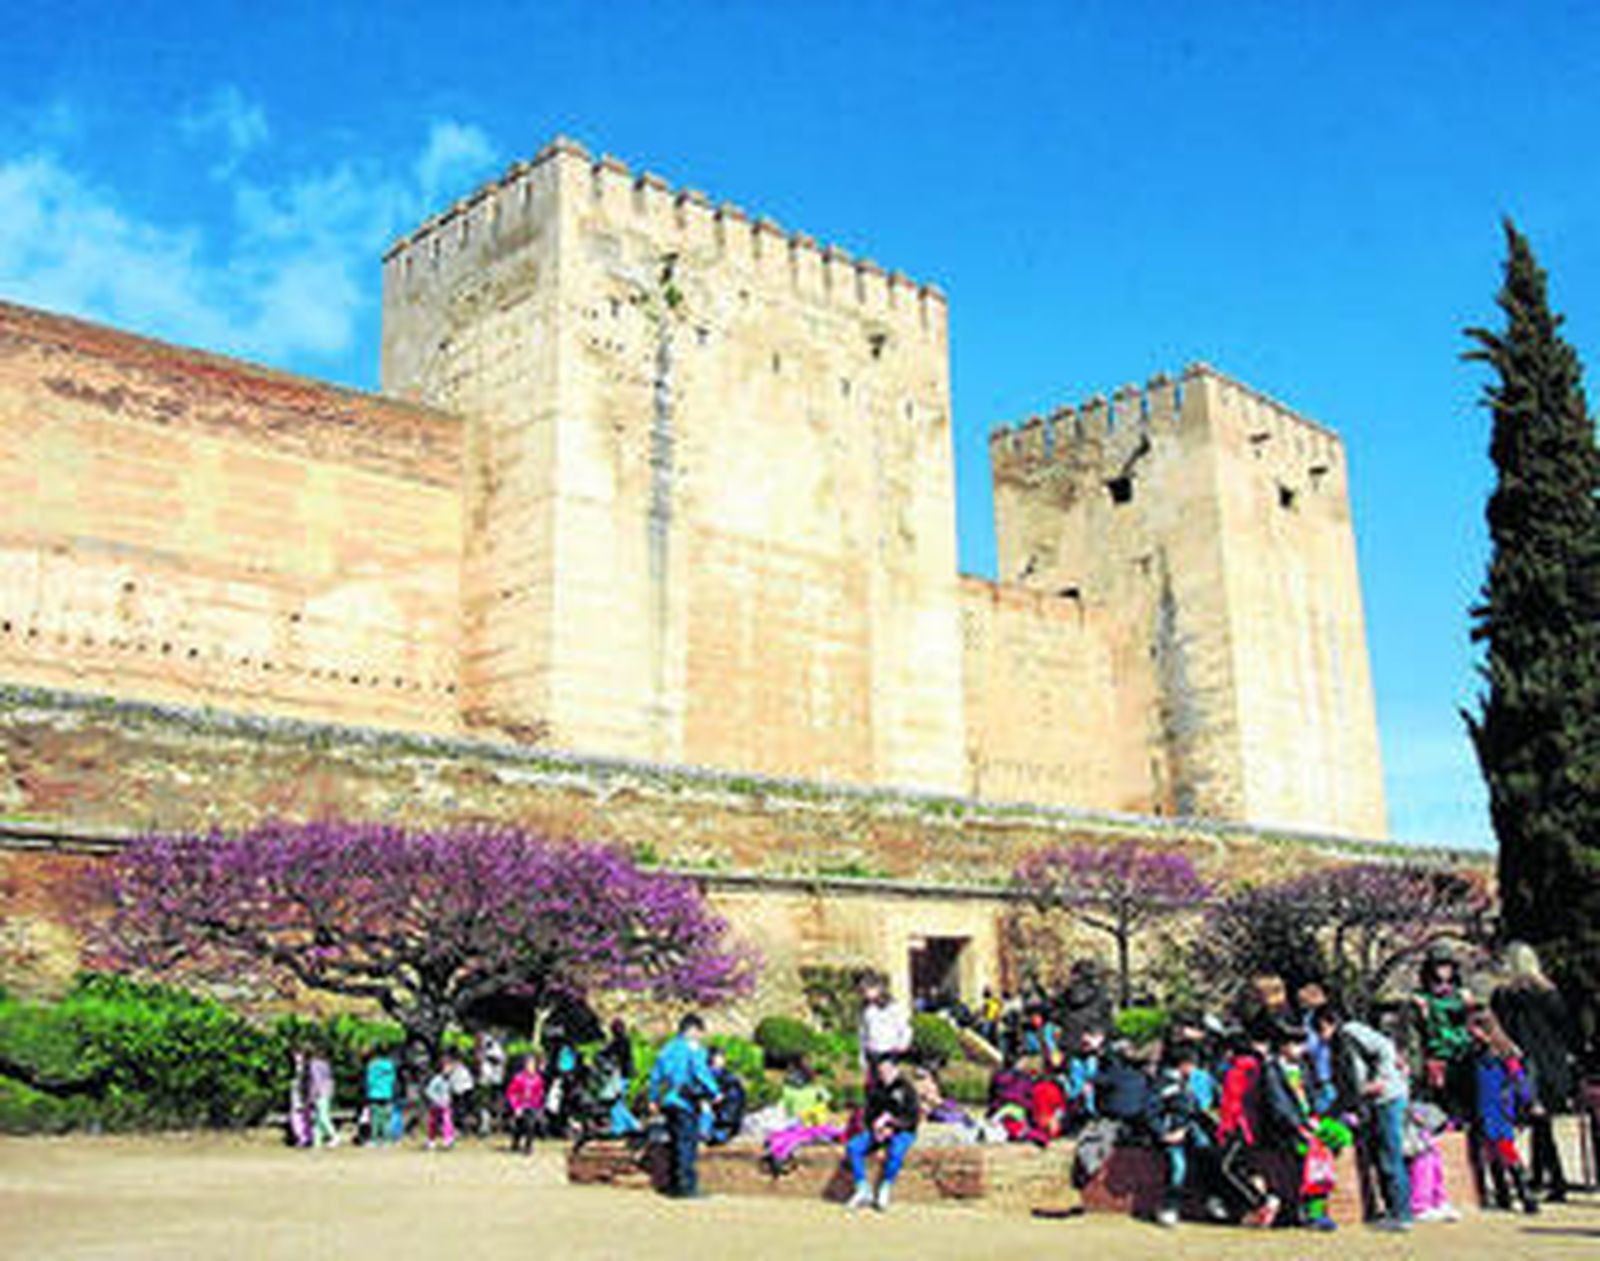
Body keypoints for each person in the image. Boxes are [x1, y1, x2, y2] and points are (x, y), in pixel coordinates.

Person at [1490, 941, 1575, 1202]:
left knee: (1537, 1123)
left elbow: (1500, 1029)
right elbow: (1565, 1027)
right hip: (1552, 1063)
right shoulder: (1549, 993)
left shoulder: (1504, 996)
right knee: (1543, 1122)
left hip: (1523, 1062)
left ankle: (1551, 1179)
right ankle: (1545, 1178)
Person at [1315, 1004, 1412, 1231]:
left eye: (1321, 1030)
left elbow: (1385, 1048)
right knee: (1381, 1157)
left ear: (1329, 1023)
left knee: (1390, 1155)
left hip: (1386, 1098)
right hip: (1373, 1101)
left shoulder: (1351, 1031)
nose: (1320, 1037)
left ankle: (1401, 1214)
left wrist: (1381, 1080)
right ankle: (1391, 1210)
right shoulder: (1338, 1044)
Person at [1465, 1009, 1539, 1214]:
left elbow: (1519, 1079)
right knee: (1490, 1151)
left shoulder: (1506, 1052)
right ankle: (1502, 1194)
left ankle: (1526, 1195)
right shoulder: (1474, 1051)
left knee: (1505, 1147)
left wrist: (1529, 1101)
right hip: (1483, 1104)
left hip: (1500, 1105)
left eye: (1474, 1029)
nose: (1470, 1033)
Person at [649, 1014, 721, 1198]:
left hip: (669, 1101)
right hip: (685, 1101)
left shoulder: (667, 1049)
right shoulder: (692, 1047)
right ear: (692, 1030)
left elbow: (656, 1076)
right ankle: (687, 1186)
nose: (701, 1037)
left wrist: (653, 1099)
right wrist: (715, 1091)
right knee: (687, 1144)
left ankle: (673, 1184)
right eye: (699, 1032)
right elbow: (700, 1071)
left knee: (674, 1143)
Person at [844, 1055, 920, 1211]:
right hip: (878, 1132)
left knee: (896, 1150)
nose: (883, 1074)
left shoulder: (907, 1090)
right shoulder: (876, 1089)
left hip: (902, 1131)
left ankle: (885, 1187)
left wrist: (893, 1126)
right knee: (853, 1147)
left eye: (887, 1070)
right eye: (880, 1071)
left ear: (895, 1069)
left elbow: (912, 1118)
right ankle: (862, 1188)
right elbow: (868, 1114)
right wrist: (875, 1129)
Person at [1411, 943, 1475, 1116]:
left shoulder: (1462, 994)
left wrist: (1469, 1007)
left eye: (1447, 965)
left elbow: (1473, 1024)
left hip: (1464, 1054)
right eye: (1439, 965)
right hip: (1438, 1056)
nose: (1444, 970)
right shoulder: (1422, 997)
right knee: (1444, 1105)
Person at [857, 973, 912, 1083]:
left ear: (877, 988)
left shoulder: (893, 1007)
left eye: (867, 990)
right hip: (873, 1053)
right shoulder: (866, 1010)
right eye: (862, 991)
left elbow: (905, 1029)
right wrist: (862, 1056)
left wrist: (901, 1046)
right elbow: (863, 1033)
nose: (865, 994)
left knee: (890, 1084)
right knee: (874, 1087)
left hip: (889, 1051)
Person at [704, 1046, 746, 1145]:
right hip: (711, 1111)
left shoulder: (727, 1075)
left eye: (723, 1057)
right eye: (719, 1056)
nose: (723, 1059)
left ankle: (721, 1132)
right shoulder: (705, 1073)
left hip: (726, 1115)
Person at [505, 1055, 545, 1155]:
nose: (531, 1067)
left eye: (533, 1065)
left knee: (530, 1124)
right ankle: (516, 1142)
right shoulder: (518, 1078)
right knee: (520, 1126)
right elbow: (511, 1093)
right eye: (529, 1065)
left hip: (532, 1106)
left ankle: (528, 1146)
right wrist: (516, 1107)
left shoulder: (538, 1079)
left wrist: (538, 1105)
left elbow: (540, 1093)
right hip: (520, 1105)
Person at [364, 1047, 398, 1147]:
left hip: (374, 1093)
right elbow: (393, 1079)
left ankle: (374, 1139)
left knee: (375, 1118)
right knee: (386, 1117)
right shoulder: (390, 1065)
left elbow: (369, 1080)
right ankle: (386, 1140)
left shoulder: (372, 1065)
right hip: (387, 1093)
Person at [475, 1030, 506, 1137]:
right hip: (485, 1080)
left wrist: (487, 1057)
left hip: (494, 1080)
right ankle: (484, 1126)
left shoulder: (494, 1047)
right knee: (484, 1103)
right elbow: (479, 1062)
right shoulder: (481, 1048)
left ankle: (494, 1125)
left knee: (494, 1104)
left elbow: (500, 1059)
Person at [307, 1046, 338, 1149]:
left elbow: (316, 1081)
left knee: (323, 1116)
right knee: (318, 1118)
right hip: (327, 1092)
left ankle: (334, 1136)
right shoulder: (326, 1064)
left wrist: (312, 1095)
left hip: (320, 1093)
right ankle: (317, 1141)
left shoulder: (314, 1064)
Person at [424, 1055, 456, 1150]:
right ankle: (431, 1140)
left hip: (445, 1106)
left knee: (447, 1121)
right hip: (435, 1106)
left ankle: (448, 1139)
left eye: (450, 1067)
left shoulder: (449, 1079)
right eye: (447, 1067)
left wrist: (449, 1099)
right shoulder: (437, 1079)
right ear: (441, 1068)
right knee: (432, 1123)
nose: (449, 1069)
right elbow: (428, 1091)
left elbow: (448, 1091)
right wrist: (436, 1099)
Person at [287, 1045, 312, 1148]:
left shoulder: (305, 1069)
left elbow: (305, 1084)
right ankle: (303, 1137)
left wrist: (304, 1096)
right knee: (297, 1116)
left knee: (300, 1116)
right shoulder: (297, 1068)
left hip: (301, 1095)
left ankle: (304, 1138)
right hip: (297, 1095)